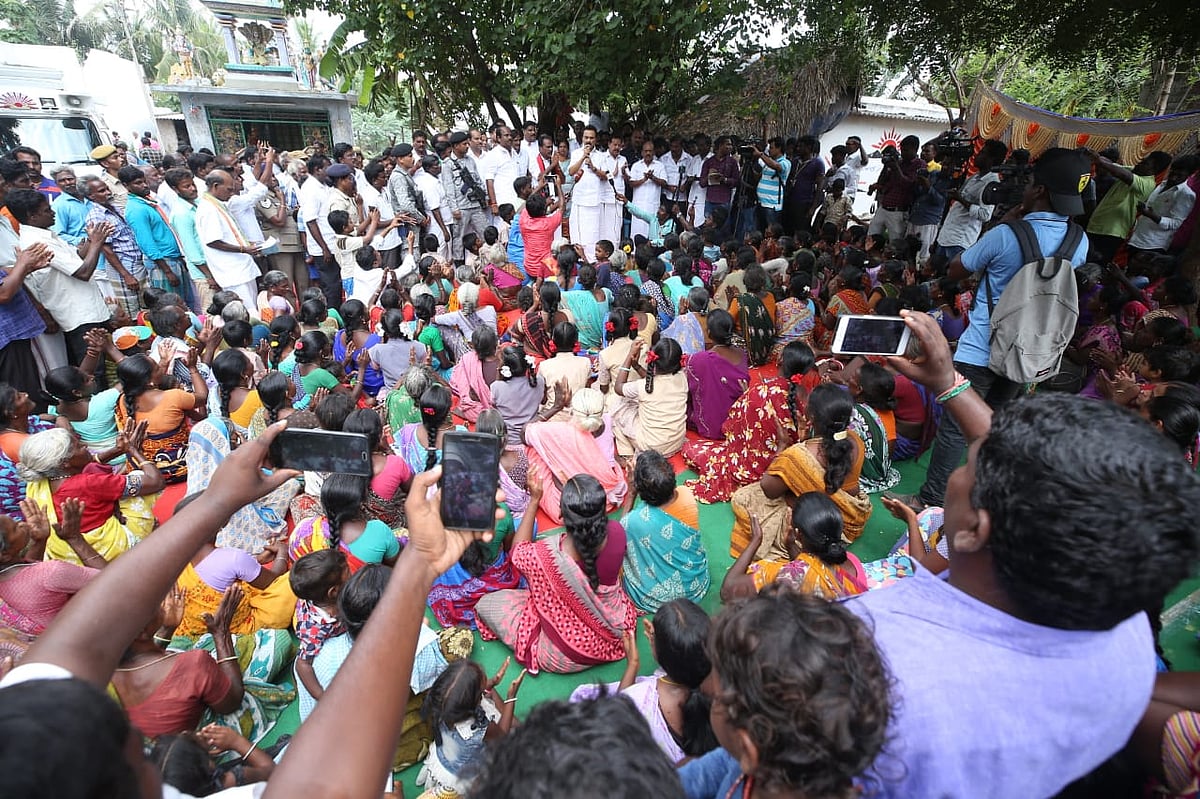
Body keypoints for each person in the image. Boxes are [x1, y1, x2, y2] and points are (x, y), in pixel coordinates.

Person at [912, 147, 1091, 509]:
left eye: (1028, 184)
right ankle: (981, 494)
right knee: (995, 425)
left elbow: (956, 270)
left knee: (955, 427)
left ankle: (929, 500)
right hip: (1030, 351)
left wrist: (1005, 221)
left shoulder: (1008, 233)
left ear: (1039, 191)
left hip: (982, 347)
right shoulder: (1079, 242)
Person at [677, 587, 891, 799]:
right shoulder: (763, 757)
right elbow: (712, 770)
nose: (707, 692)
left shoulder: (756, 754)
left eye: (716, 698)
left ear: (748, 749)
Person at [476, 473, 638, 674]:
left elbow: (517, 551)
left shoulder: (544, 556)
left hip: (567, 654)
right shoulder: (617, 532)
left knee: (487, 604)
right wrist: (630, 495)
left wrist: (534, 500)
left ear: (561, 514)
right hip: (619, 632)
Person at [730, 383, 870, 558]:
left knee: (742, 496)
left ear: (810, 415)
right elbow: (836, 478)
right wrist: (804, 440)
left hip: (813, 526)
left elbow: (769, 489)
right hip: (844, 523)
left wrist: (782, 446)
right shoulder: (856, 441)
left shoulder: (798, 455)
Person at [571, 599, 717, 764]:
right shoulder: (723, 684)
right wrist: (660, 645)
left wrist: (632, 665)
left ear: (657, 651)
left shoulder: (640, 698)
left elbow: (617, 717)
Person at [685, 340, 818, 503]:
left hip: (755, 465)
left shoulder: (759, 392)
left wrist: (747, 397)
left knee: (691, 448)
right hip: (788, 466)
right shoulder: (809, 398)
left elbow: (730, 427)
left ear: (780, 359)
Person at [426, 410, 524, 628]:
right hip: (491, 568)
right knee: (528, 525)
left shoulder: (442, 510)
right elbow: (509, 551)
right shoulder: (502, 515)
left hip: (457, 565)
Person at [17, 421, 165, 563]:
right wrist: (134, 450)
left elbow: (89, 462)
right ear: (65, 462)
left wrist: (119, 449)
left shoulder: (39, 481)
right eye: (78, 446)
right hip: (110, 549)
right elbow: (155, 481)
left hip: (70, 553)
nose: (84, 445)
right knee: (137, 477)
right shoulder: (87, 483)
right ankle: (145, 534)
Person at [8, 189, 113, 367]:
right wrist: (96, 243)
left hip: (87, 311)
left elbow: (78, 257)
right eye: (47, 210)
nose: (53, 213)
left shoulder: (46, 233)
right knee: (94, 371)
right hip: (79, 316)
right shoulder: (38, 243)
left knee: (104, 365)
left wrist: (91, 239)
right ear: (31, 216)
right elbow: (83, 272)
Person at [721, 491, 869, 600]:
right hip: (839, 625)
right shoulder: (851, 561)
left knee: (760, 567)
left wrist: (756, 540)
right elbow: (810, 566)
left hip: (806, 633)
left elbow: (727, 591)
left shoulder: (789, 575)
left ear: (797, 533)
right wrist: (790, 546)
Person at [186, 414, 297, 553]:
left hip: (222, 517)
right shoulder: (227, 464)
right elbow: (257, 476)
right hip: (235, 525)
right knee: (289, 484)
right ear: (222, 439)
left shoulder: (200, 461)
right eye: (233, 436)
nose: (234, 440)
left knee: (287, 484)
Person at [0, 498, 100, 650]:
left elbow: (27, 579)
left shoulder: (9, 577)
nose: (21, 523)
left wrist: (39, 542)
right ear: (6, 555)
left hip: (43, 654)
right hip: (81, 648)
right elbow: (117, 582)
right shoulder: (53, 572)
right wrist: (75, 538)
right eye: (15, 528)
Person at [416, 658, 523, 798]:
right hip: (465, 775)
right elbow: (502, 734)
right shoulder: (480, 728)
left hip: (444, 760)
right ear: (475, 699)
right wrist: (511, 698)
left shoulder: (443, 703)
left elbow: (465, 694)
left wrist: (492, 682)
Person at [620, 450, 708, 613]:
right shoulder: (687, 495)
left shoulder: (633, 521)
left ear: (640, 489)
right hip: (694, 585)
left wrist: (631, 493)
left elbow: (618, 539)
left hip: (658, 599)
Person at [524, 387, 628, 525]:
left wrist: (557, 406)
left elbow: (524, 432)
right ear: (602, 412)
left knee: (534, 449)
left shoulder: (559, 431)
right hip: (603, 501)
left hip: (566, 509)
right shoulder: (607, 420)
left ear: (572, 411)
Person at [115, 352, 208, 483]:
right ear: (149, 381)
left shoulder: (122, 400)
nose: (161, 367)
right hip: (178, 469)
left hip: (141, 470)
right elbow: (203, 397)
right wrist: (192, 368)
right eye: (157, 367)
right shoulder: (174, 397)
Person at [287, 473, 402, 573]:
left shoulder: (304, 531)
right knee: (403, 534)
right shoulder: (379, 530)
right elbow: (393, 562)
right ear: (362, 502)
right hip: (364, 591)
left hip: (322, 592)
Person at [1086, 148, 1173, 264]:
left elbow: (1121, 173)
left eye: (1145, 163)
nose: (1139, 164)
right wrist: (1094, 156)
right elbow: (1112, 165)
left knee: (1096, 265)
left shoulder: (1146, 183)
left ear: (1154, 170)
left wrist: (1098, 160)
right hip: (1095, 226)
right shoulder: (1134, 171)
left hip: (1111, 232)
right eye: (1142, 161)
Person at [612, 337, 688, 459]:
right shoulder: (682, 378)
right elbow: (651, 382)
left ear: (653, 360)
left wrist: (629, 357)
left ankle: (626, 453)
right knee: (638, 402)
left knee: (615, 403)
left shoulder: (641, 386)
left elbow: (618, 388)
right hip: (676, 443)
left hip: (652, 447)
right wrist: (636, 366)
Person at [684, 309, 748, 440]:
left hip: (711, 424)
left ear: (708, 333)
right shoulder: (742, 354)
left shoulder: (698, 359)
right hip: (737, 421)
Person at [848, 361, 901, 493]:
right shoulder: (885, 409)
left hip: (864, 473)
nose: (848, 379)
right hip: (883, 470)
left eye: (852, 377)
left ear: (859, 389)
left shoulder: (855, 414)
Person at [489, 344, 545, 446]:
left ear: (504, 368)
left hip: (508, 441)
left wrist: (499, 372)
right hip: (530, 439)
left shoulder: (496, 387)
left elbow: (493, 407)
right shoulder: (539, 382)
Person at [535, 322, 590, 422]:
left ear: (553, 342)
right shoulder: (585, 362)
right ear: (576, 342)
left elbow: (542, 398)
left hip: (552, 417)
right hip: (578, 417)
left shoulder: (544, 365)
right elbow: (587, 389)